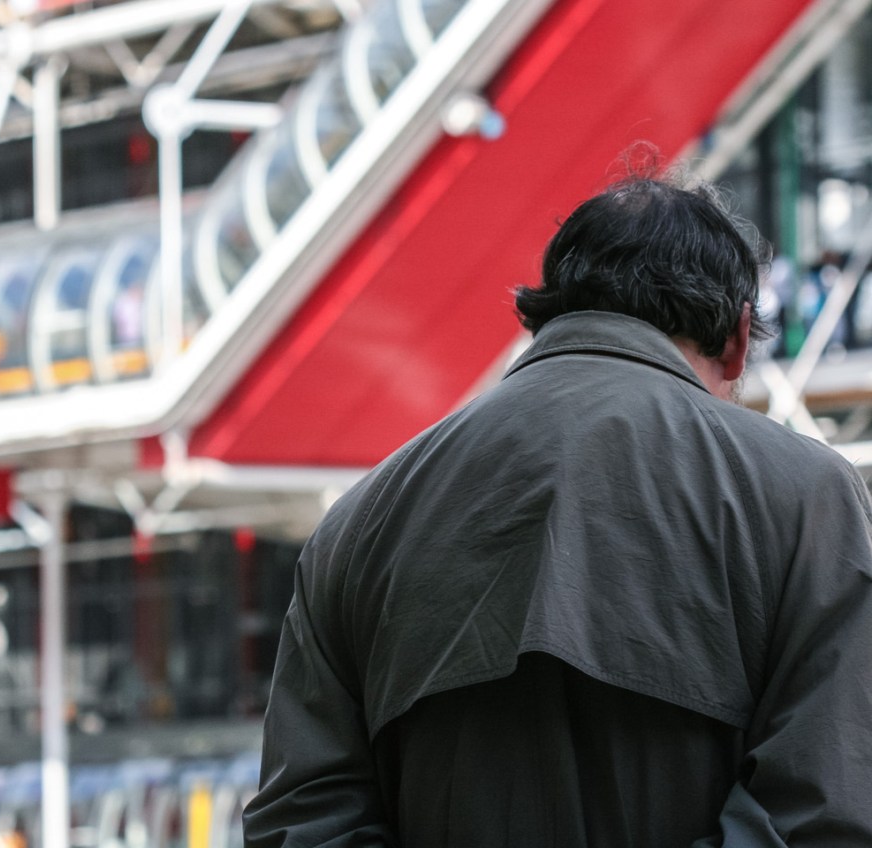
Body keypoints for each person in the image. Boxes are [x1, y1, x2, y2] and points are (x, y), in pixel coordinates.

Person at [243, 172, 872, 846]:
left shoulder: (360, 520)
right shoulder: (807, 497)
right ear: (739, 337)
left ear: (544, 312)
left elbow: (303, 819)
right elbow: (824, 809)